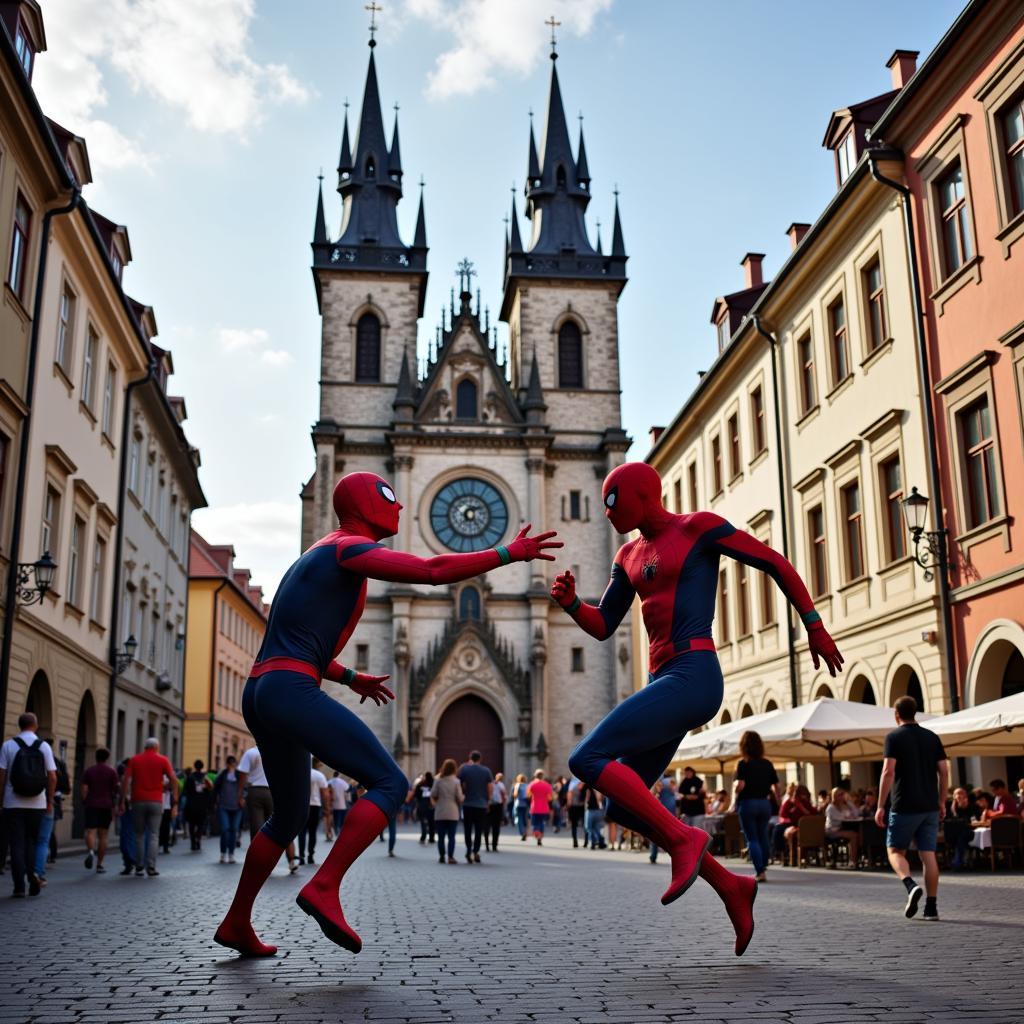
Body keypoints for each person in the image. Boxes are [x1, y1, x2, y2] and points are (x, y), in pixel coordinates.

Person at [214, 471, 559, 957]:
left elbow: (295, 639)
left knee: (288, 815)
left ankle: (236, 921)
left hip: (264, 688)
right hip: (291, 688)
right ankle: (324, 886)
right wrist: (508, 554)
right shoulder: (347, 548)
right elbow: (433, 570)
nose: (399, 508)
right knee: (390, 782)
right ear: (364, 506)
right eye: (391, 499)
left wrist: (351, 678)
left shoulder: (313, 557)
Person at [553, 461, 842, 956]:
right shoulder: (627, 555)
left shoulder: (698, 528)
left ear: (643, 494)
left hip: (694, 674)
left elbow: (774, 560)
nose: (605, 511)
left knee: (586, 759)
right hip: (662, 681)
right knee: (621, 804)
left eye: (612, 499)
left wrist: (812, 623)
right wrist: (574, 604)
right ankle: (733, 887)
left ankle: (685, 841)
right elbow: (604, 625)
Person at [876, 695, 948, 921]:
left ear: (896, 714)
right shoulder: (932, 737)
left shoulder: (894, 737)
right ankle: (932, 908)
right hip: (930, 805)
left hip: (904, 804)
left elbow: (888, 772)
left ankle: (909, 885)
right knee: (928, 855)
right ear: (915, 712)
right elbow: (944, 771)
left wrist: (880, 805)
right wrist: (943, 800)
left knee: (895, 851)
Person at [0, 713, 56, 897]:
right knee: (31, 842)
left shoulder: (8, 745)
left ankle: (18, 887)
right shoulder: (44, 746)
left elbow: (2, 774)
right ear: (36, 725)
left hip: (12, 802)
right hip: (37, 803)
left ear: (19, 725)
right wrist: (49, 800)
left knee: (16, 844)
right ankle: (32, 877)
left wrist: (1, 799)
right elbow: (52, 776)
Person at [121, 737, 178, 877]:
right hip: (156, 801)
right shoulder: (163, 760)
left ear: (145, 747)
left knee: (139, 835)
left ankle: (139, 865)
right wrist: (174, 798)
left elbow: (126, 780)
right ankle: (151, 866)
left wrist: (123, 799)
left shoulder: (134, 760)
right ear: (157, 747)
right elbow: (173, 779)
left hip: (138, 800)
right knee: (153, 835)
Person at [732, 732, 780, 883]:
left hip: (748, 803)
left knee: (752, 838)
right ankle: (763, 865)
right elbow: (776, 786)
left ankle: (760, 871)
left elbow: (741, 784)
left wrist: (735, 794)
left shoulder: (743, 764)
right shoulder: (767, 763)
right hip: (764, 804)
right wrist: (778, 801)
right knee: (763, 835)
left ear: (743, 746)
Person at [81, 747, 119, 873]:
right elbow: (116, 789)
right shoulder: (112, 772)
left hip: (92, 804)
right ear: (107, 758)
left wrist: (85, 800)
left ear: (96, 757)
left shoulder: (89, 771)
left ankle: (91, 851)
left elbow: (84, 789)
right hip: (106, 805)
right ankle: (99, 864)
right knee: (103, 836)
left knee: (90, 831)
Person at [457, 751, 493, 864]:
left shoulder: (465, 770)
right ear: (480, 759)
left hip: (467, 804)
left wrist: (463, 795)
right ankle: (476, 851)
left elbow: (458, 783)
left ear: (470, 758)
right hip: (481, 805)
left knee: (467, 829)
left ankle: (468, 850)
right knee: (478, 829)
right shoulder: (486, 770)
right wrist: (488, 800)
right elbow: (490, 787)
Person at [430, 759, 463, 865]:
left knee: (440, 836)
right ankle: (450, 857)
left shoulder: (438, 780)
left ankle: (441, 856)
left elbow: (433, 793)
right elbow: (460, 797)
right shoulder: (456, 781)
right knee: (451, 836)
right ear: (454, 769)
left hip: (440, 811)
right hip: (452, 811)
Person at [298, 760, 330, 865]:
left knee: (301, 832)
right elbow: (325, 794)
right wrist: (326, 808)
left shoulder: (301, 773)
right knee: (312, 832)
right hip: (315, 806)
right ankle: (310, 856)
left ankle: (301, 857)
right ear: (316, 764)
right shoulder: (319, 775)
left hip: (302, 805)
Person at [214, 756, 245, 864]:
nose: (232, 765)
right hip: (224, 807)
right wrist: (215, 801)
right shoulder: (222, 775)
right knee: (225, 830)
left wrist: (243, 798)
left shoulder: (240, 775)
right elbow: (215, 788)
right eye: (230, 763)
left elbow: (245, 788)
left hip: (237, 808)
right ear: (227, 764)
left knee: (233, 831)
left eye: (234, 763)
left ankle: (231, 854)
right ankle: (223, 854)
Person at [774, 783, 814, 859]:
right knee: (777, 829)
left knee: (779, 830)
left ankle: (785, 854)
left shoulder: (806, 803)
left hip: (804, 826)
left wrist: (800, 806)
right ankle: (781, 853)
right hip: (791, 823)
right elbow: (782, 814)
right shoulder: (789, 802)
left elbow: (812, 814)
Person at [824, 787, 861, 869]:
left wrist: (849, 803)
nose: (841, 796)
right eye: (839, 795)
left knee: (858, 833)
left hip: (842, 829)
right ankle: (853, 861)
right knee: (853, 835)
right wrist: (849, 815)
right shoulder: (830, 808)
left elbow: (857, 813)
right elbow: (842, 818)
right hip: (832, 831)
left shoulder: (845, 805)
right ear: (834, 796)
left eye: (842, 794)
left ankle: (857, 859)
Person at [943, 787, 976, 869]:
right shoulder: (948, 805)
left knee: (962, 836)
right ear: (954, 796)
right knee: (959, 837)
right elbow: (946, 818)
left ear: (966, 795)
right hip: (951, 832)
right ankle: (959, 860)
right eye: (958, 794)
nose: (960, 796)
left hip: (968, 831)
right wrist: (955, 811)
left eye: (962, 793)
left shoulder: (971, 805)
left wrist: (965, 807)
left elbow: (973, 819)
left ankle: (957, 861)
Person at [649, 775, 679, 864]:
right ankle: (675, 855)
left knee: (656, 833)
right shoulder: (672, 781)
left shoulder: (660, 781)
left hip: (662, 808)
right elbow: (675, 791)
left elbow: (654, 793)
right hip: (671, 808)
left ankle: (653, 855)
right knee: (671, 834)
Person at [184, 759, 212, 851]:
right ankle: (198, 839)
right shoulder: (205, 777)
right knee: (201, 824)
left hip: (191, 804)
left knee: (191, 824)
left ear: (195, 766)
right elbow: (210, 790)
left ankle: (192, 842)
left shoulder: (190, 777)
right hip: (202, 804)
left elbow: (186, 791)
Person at [526, 769, 554, 844]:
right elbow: (550, 798)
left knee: (535, 823)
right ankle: (540, 837)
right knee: (542, 822)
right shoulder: (547, 785)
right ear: (542, 776)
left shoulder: (532, 784)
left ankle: (536, 833)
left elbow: (528, 795)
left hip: (534, 807)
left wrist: (534, 795)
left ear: (535, 775)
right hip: (544, 807)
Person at [677, 767, 707, 832]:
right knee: (687, 830)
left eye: (689, 773)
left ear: (692, 772)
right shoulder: (683, 782)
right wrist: (686, 796)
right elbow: (680, 794)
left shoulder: (698, 781)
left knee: (696, 830)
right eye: (686, 773)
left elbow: (703, 794)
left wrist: (696, 796)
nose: (687, 774)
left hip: (697, 811)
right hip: (686, 811)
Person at [486, 771, 507, 852]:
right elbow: (504, 794)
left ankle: (487, 845)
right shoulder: (500, 784)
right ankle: (494, 846)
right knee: (496, 826)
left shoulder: (487, 784)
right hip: (498, 806)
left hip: (488, 805)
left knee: (487, 825)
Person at [582, 781, 606, 848]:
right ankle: (601, 840)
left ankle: (593, 841)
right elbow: (601, 799)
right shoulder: (599, 787)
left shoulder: (588, 787)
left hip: (590, 810)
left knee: (589, 827)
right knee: (596, 827)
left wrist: (585, 808)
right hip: (599, 810)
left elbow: (587, 798)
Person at [413, 771, 434, 845]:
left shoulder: (420, 785)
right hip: (431, 806)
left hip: (422, 805)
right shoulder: (433, 784)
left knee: (423, 822)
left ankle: (423, 836)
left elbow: (416, 795)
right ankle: (431, 837)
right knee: (431, 822)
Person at [329, 772, 352, 840]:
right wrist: (348, 800)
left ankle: (336, 829)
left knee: (335, 818)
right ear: (339, 775)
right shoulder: (342, 782)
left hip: (332, 804)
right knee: (341, 818)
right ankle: (340, 830)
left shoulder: (329, 782)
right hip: (342, 804)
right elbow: (348, 790)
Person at [566, 776, 586, 847]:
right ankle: (586, 842)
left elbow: (569, 798)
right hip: (582, 807)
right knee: (585, 824)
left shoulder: (572, 785)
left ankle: (575, 841)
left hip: (573, 807)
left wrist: (568, 807)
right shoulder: (583, 784)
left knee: (574, 825)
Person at [512, 773, 530, 840]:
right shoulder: (527, 785)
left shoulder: (517, 785)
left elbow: (515, 794)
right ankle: (525, 831)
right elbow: (529, 795)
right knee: (525, 818)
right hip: (526, 804)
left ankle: (522, 832)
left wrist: (515, 795)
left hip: (518, 804)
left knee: (520, 819)